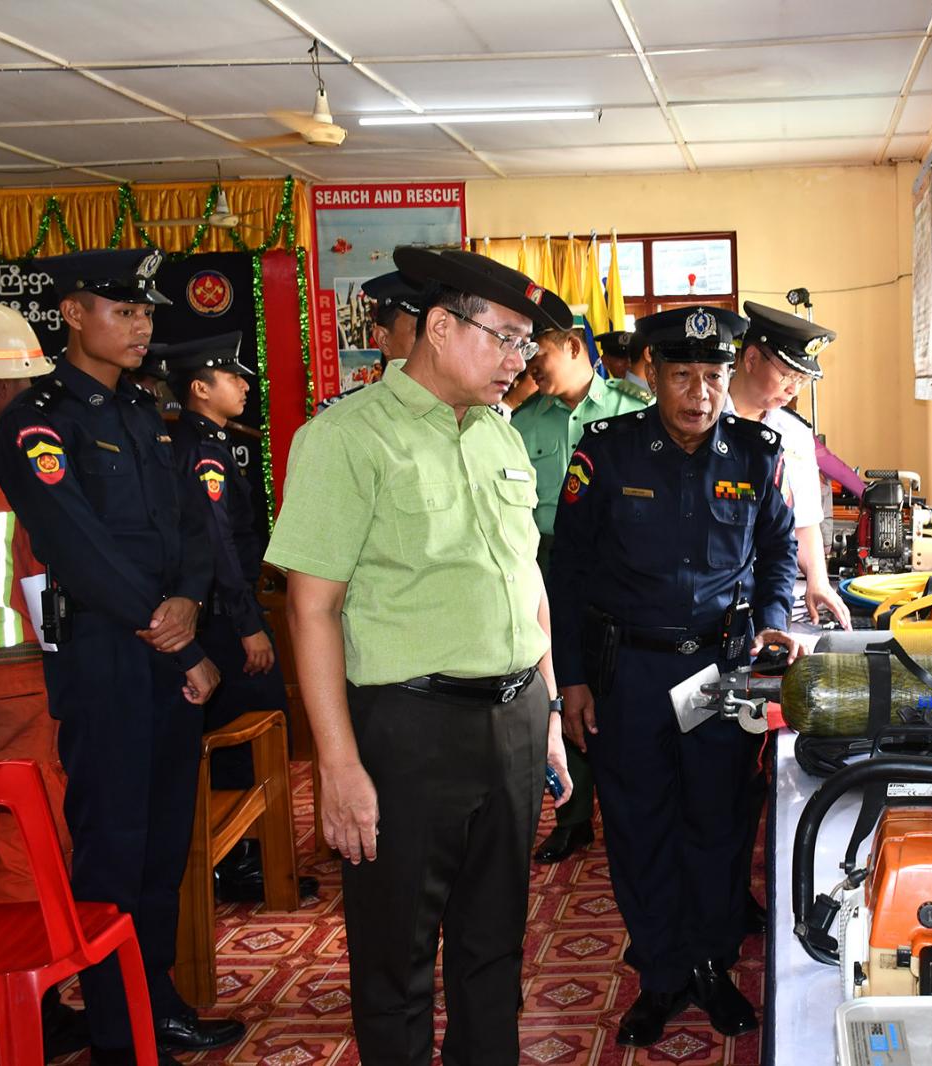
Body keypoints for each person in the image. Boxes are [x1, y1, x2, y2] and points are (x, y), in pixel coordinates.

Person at [264, 246, 572, 1066]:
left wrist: (545, 712)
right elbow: (312, 609)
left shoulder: (500, 436)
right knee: (396, 958)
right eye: (504, 339)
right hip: (409, 729)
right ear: (439, 327)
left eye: (525, 345)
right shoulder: (347, 437)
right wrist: (338, 766)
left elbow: (526, 579)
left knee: (494, 945)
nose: (518, 361)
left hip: (514, 718)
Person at [0, 249, 238, 1066]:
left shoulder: (142, 411)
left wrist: (189, 602)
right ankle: (115, 1029)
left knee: (163, 846)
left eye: (146, 312)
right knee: (112, 847)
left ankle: (154, 1001)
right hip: (107, 657)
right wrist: (171, 631)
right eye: (123, 311)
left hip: (170, 649)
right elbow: (79, 547)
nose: (141, 326)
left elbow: (192, 524)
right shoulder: (39, 421)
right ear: (72, 313)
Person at [550, 305, 800, 1047]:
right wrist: (572, 679)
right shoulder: (609, 452)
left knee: (720, 821)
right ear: (653, 375)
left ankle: (712, 965)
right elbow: (568, 570)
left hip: (724, 670)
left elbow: (778, 550)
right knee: (639, 824)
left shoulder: (756, 454)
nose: (700, 393)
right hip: (630, 672)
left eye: (713, 376)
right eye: (683, 375)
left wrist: (775, 618)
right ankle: (660, 972)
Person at [162, 331, 317, 903]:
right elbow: (218, 545)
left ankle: (242, 857)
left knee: (248, 734)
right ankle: (241, 861)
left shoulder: (202, 441)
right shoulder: (201, 450)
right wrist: (249, 623)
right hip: (225, 619)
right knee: (248, 735)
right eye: (231, 377)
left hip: (224, 611)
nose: (244, 386)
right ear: (200, 389)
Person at [0, 305, 90, 1059]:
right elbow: (35, 565)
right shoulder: (7, 458)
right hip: (14, 676)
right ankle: (31, 1008)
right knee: (26, 833)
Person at [510, 301, 649, 864]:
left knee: (620, 684)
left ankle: (627, 812)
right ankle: (571, 817)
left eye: (537, 350)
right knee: (561, 681)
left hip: (619, 564)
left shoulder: (635, 408)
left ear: (572, 346)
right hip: (548, 565)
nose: (529, 363)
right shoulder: (525, 420)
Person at [728, 302, 852, 629]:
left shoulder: (794, 434)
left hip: (771, 593)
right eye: (787, 375)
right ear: (751, 359)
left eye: (802, 379)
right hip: (710, 594)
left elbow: (805, 522)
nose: (793, 389)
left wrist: (818, 580)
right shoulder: (702, 420)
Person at [315, 270, 423, 413]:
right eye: (421, 332)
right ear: (383, 340)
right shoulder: (344, 416)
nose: (435, 344)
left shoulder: (451, 410)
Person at [596, 329, 652, 403]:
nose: (628, 363)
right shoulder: (603, 398)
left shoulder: (654, 391)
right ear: (605, 361)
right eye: (621, 357)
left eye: (632, 356)